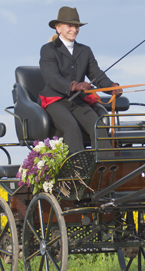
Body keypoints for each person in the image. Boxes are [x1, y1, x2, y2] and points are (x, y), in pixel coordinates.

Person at [39, 6, 122, 157]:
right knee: (71, 126)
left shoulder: (85, 50)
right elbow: (52, 78)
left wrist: (111, 86)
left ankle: (108, 166)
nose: (74, 29)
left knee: (97, 126)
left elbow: (96, 74)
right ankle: (76, 169)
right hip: (56, 101)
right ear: (58, 28)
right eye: (70, 26)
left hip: (77, 101)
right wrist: (75, 86)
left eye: (76, 26)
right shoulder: (48, 50)